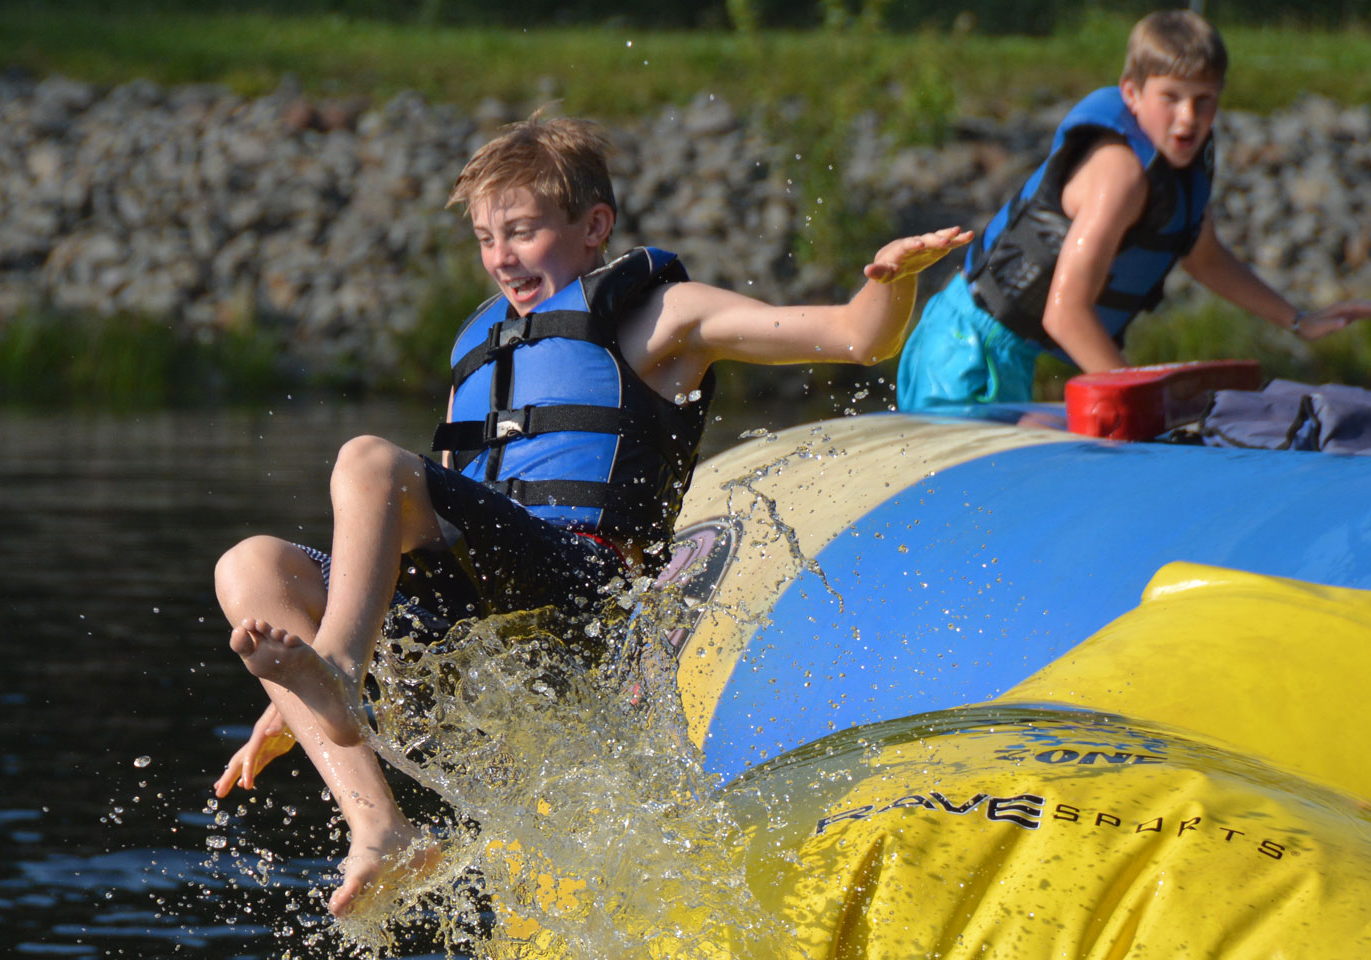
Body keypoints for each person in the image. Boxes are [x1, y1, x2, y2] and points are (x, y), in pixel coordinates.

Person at [211, 112, 972, 917]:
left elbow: (857, 339)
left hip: (581, 584)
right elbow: (408, 526)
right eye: (484, 237)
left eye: (524, 231)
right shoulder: (483, 346)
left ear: (592, 227)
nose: (502, 256)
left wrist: (890, 283)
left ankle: (339, 673)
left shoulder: (660, 317)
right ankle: (380, 826)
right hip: (475, 596)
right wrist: (285, 701)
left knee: (367, 460)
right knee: (249, 566)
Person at [895, 9, 1371, 411]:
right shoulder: (1120, 174)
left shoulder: (1182, 168)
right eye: (1170, 98)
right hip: (965, 349)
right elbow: (1065, 314)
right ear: (1131, 93)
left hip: (1011, 355)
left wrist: (1299, 320)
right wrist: (1142, 404)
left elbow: (1205, 258)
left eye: (1204, 101)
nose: (1188, 118)